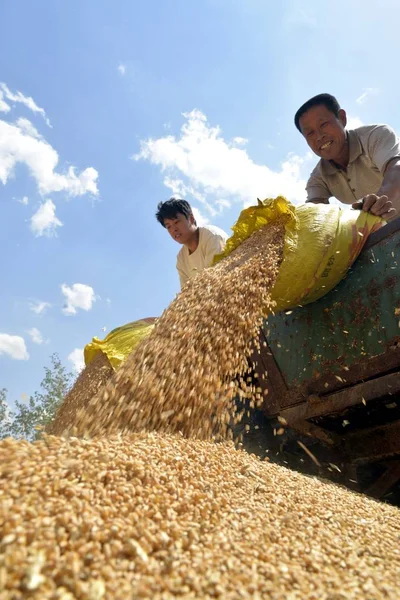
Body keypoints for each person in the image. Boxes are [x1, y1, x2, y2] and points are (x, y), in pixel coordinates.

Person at [294, 93, 400, 221]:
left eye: (323, 124)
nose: (319, 136)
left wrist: (376, 203)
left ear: (342, 118)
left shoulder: (375, 136)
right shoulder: (318, 179)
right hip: (386, 234)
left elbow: (396, 171)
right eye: (310, 133)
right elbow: (314, 215)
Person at [156, 198, 228, 289]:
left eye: (176, 222)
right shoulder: (181, 259)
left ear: (191, 218)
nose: (174, 229)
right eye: (169, 226)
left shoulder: (211, 236)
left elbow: (217, 279)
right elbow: (186, 292)